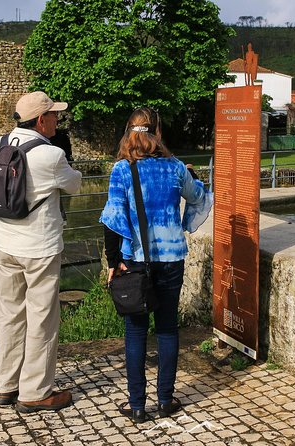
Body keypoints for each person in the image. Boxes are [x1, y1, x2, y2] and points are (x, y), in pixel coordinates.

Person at [100, 107, 213, 423]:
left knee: (135, 331)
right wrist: (191, 177)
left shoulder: (122, 170)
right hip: (172, 258)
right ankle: (165, 400)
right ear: (156, 133)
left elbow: (112, 219)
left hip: (135, 260)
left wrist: (114, 261)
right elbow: (200, 197)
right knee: (166, 328)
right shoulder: (176, 168)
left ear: (128, 133)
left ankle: (137, 406)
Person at [0, 91, 82, 413]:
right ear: (42, 120)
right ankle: (35, 391)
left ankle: (6, 386)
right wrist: (68, 161)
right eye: (54, 114)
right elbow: (75, 185)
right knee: (42, 319)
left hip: (3, 243)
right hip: (39, 248)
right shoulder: (51, 155)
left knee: (10, 315)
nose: (58, 118)